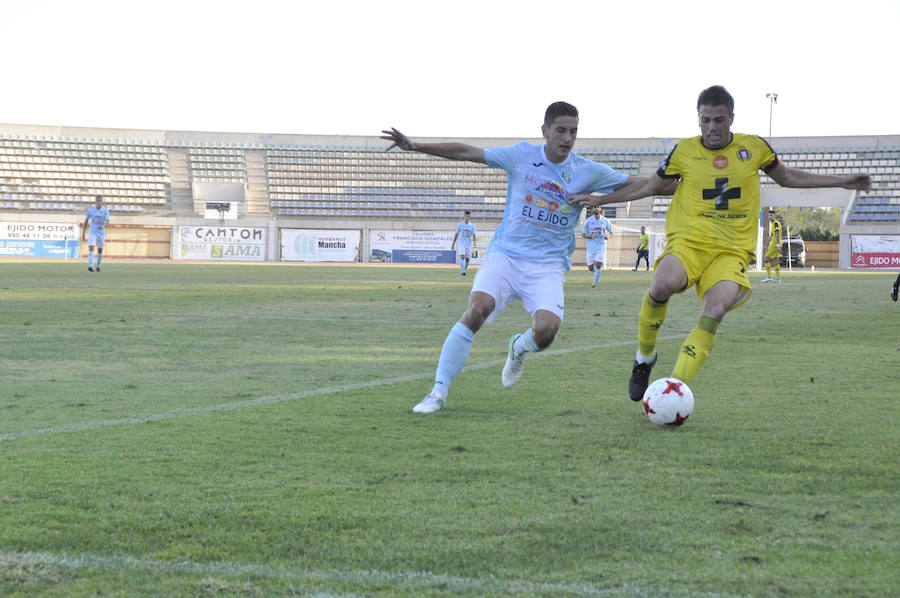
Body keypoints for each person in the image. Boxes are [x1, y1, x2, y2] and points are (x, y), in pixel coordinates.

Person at [570, 85, 871, 401]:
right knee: (661, 285)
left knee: (716, 309)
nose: (712, 128)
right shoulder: (684, 151)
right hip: (689, 241)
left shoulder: (754, 148)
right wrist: (603, 199)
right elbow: (650, 186)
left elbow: (788, 179)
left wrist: (842, 181)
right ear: (698, 119)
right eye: (706, 120)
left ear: (731, 118)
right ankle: (644, 358)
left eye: (719, 120)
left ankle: (671, 389)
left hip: (731, 250)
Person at [381, 101, 633, 413]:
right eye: (561, 130)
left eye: (573, 131)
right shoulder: (521, 156)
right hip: (507, 256)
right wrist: (417, 146)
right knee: (477, 309)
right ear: (545, 131)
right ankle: (438, 392)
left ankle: (519, 347)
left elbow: (641, 184)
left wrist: (603, 198)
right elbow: (468, 152)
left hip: (547, 266)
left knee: (546, 331)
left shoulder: (587, 171)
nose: (567, 138)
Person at [581, 206, 613, 288]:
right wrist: (589, 236)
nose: (596, 209)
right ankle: (597, 272)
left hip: (600, 246)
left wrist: (608, 237)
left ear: (600, 209)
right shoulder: (588, 221)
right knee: (591, 268)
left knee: (598, 264)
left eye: (597, 207)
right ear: (592, 209)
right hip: (590, 248)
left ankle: (594, 284)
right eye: (594, 207)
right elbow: (583, 234)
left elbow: (611, 232)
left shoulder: (605, 220)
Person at [82, 195, 109, 272]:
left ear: (102, 201)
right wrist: (83, 232)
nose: (99, 202)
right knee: (91, 247)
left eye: (100, 200)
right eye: (97, 200)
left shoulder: (105, 210)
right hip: (92, 231)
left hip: (101, 232)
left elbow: (108, 222)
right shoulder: (90, 210)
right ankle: (91, 266)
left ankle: (98, 266)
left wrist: (103, 225)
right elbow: (86, 221)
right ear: (95, 201)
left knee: (100, 250)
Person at [451, 210, 477, 275]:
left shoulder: (472, 225)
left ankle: (464, 269)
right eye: (466, 216)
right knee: (462, 256)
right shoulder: (460, 225)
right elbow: (456, 234)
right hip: (461, 242)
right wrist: (453, 244)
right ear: (464, 217)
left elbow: (474, 234)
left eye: (468, 216)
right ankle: (463, 271)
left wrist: (474, 242)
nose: (467, 217)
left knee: (467, 259)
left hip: (468, 243)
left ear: (470, 217)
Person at [762, 210, 783, 282]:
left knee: (765, 259)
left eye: (771, 215)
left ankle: (769, 277)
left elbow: (777, 233)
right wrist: (766, 244)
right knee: (775, 261)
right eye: (769, 215)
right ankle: (778, 279)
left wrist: (777, 245)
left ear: (774, 216)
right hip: (777, 243)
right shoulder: (773, 224)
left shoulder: (776, 223)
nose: (770, 217)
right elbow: (771, 235)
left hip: (775, 244)